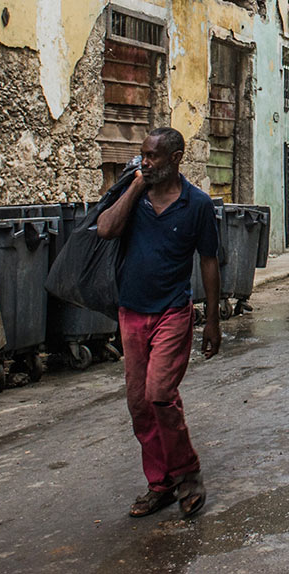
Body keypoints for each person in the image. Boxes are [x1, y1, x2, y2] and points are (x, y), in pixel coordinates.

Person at [95, 127, 220, 519]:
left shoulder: (197, 204)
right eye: (142, 155)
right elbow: (105, 229)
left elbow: (210, 261)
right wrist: (133, 188)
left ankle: (188, 473)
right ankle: (161, 483)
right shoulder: (133, 196)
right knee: (139, 404)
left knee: (159, 392)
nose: (146, 162)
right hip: (131, 312)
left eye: (153, 157)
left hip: (172, 311)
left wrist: (213, 320)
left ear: (176, 158)